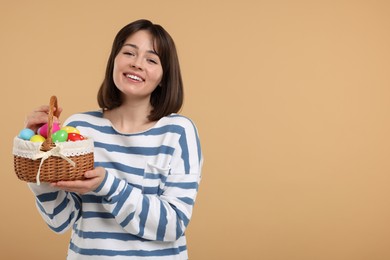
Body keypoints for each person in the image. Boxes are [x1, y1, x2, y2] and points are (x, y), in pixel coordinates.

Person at [25, 19, 203, 259]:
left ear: (163, 76)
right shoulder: (80, 128)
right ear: (114, 61)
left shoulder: (178, 132)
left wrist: (107, 185)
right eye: (129, 52)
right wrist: (38, 161)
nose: (137, 64)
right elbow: (61, 220)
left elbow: (172, 225)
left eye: (151, 59)